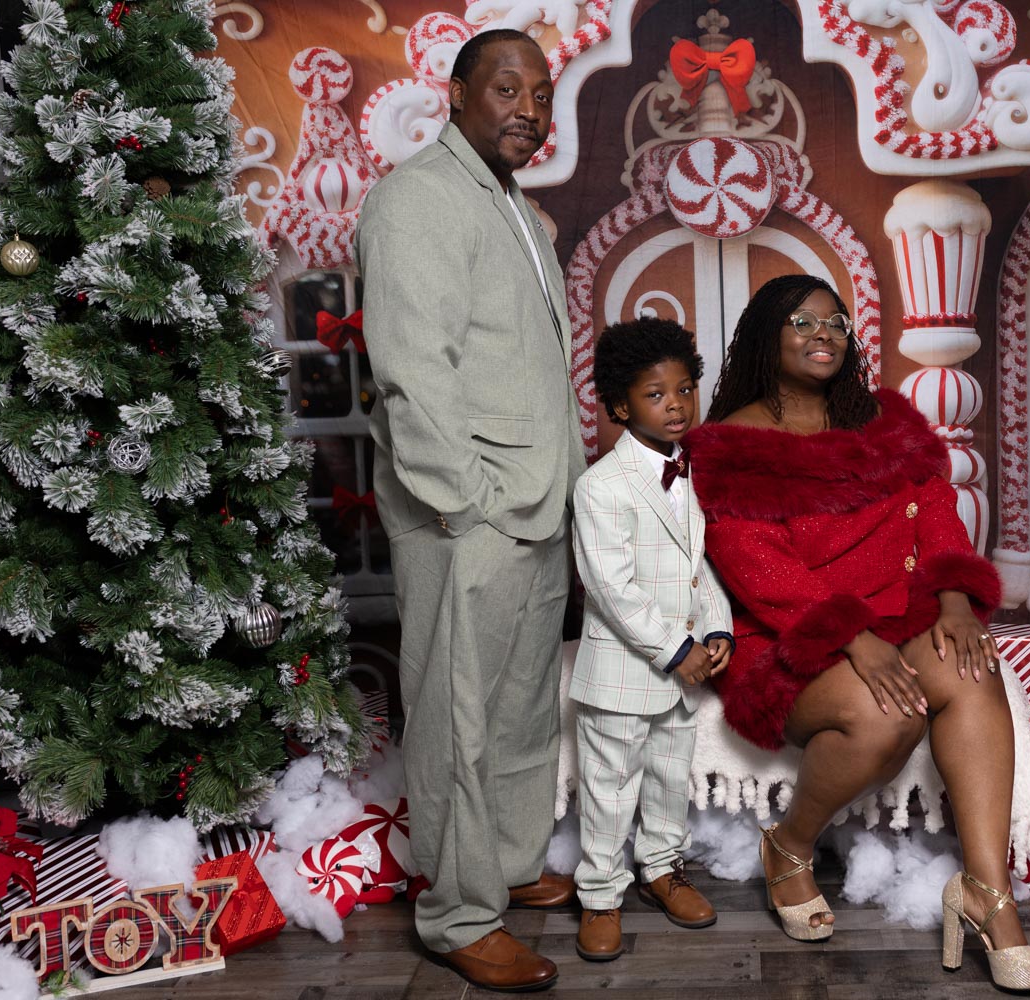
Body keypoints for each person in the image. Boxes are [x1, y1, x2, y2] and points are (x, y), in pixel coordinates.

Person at [682, 274, 1030, 991]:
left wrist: (953, 600)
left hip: (899, 612)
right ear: (766, 336)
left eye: (836, 322)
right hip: (787, 635)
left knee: (969, 667)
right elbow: (758, 569)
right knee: (888, 717)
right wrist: (852, 636)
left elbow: (935, 507)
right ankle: (789, 847)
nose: (823, 334)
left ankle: (988, 895)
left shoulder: (883, 419)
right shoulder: (731, 446)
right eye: (802, 322)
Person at [355, 28, 583, 993]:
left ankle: (511, 863)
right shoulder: (417, 199)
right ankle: (456, 912)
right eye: (506, 89)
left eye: (541, 94)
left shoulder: (517, 209)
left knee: (523, 708)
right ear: (455, 93)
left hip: (538, 503)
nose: (529, 109)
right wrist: (468, 505)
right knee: (459, 718)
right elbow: (415, 375)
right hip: (470, 512)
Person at [569, 318, 734, 961]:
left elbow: (700, 566)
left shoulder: (692, 474)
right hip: (624, 672)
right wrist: (677, 650)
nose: (676, 405)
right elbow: (610, 588)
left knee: (668, 779)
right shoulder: (600, 486)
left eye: (685, 389)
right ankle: (600, 895)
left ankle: (663, 869)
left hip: (681, 676)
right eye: (656, 394)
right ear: (619, 406)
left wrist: (716, 626)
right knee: (610, 788)